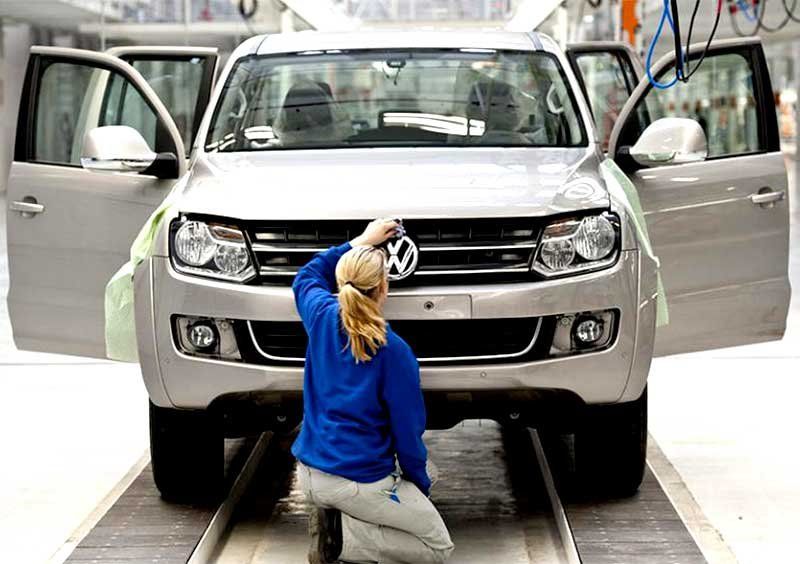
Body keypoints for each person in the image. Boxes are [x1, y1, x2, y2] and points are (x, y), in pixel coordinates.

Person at [291, 218, 455, 564]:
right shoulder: (394, 352)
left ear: (341, 283)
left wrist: (361, 241)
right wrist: (418, 487)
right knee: (438, 547)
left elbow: (306, 276)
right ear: (384, 287)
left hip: (309, 473)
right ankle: (344, 538)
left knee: (424, 476)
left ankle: (335, 512)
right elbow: (408, 435)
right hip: (359, 480)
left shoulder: (320, 316)